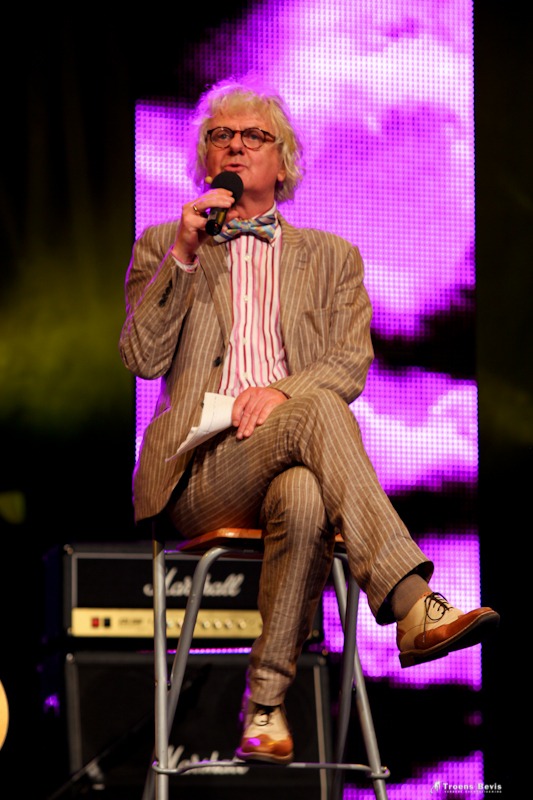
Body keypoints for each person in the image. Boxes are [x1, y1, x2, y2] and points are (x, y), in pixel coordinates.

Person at [119, 74, 499, 765]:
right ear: (204, 158)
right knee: (317, 409)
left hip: (290, 454)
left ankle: (265, 706)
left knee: (302, 495)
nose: (235, 145)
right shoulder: (163, 247)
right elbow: (142, 358)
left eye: (253, 136)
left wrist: (281, 393)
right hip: (200, 471)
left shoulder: (331, 257)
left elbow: (349, 365)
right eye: (220, 135)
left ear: (282, 160)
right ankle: (412, 601)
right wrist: (183, 255)